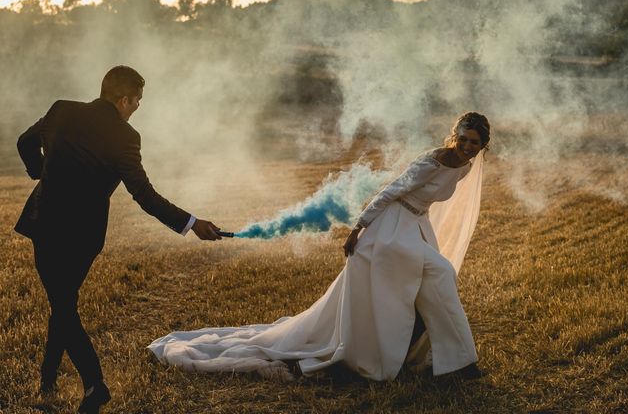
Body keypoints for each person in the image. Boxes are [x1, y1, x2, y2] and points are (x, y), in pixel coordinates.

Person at [149, 112, 490, 382]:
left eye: (474, 142)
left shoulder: (466, 166)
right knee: (441, 273)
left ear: (481, 145)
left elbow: (432, 203)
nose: (467, 146)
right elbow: (390, 191)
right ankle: (460, 363)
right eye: (463, 139)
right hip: (390, 230)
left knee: (434, 282)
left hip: (415, 228)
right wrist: (359, 228)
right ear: (453, 136)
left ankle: (441, 358)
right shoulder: (433, 161)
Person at [15, 65, 224, 414]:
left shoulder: (61, 109)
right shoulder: (126, 138)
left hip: (46, 222)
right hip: (84, 236)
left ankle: (88, 385)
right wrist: (191, 222)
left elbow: (25, 141)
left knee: (62, 302)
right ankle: (60, 381)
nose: (138, 107)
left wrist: (39, 171)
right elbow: (144, 195)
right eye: (138, 100)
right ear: (124, 99)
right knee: (63, 302)